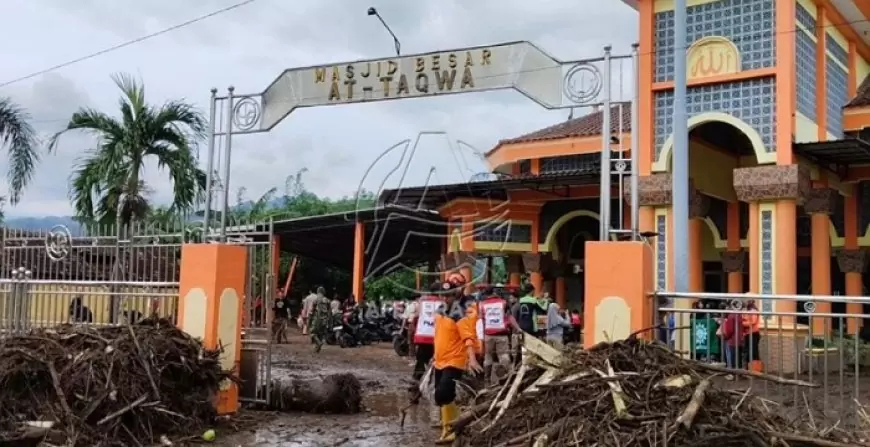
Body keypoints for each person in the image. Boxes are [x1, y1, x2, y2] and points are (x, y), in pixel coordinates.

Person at [432, 277, 481, 445]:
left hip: (454, 360)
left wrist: (472, 359)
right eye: (443, 295)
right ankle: (452, 426)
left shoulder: (459, 313)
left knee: (443, 394)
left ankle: (452, 428)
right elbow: (438, 335)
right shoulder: (439, 311)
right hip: (439, 360)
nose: (445, 298)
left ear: (455, 294)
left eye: (449, 295)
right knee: (442, 398)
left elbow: (468, 338)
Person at [409, 282, 443, 404]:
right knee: (437, 366)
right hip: (437, 339)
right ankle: (436, 395)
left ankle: (414, 393)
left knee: (420, 365)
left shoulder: (421, 302)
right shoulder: (443, 303)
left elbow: (415, 319)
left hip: (422, 338)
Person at [480, 285, 520, 384]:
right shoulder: (503, 303)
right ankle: (506, 379)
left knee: (488, 357)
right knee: (504, 356)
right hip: (502, 334)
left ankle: (487, 380)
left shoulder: (482, 304)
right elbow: (510, 317)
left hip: (488, 334)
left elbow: (480, 320)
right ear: (494, 292)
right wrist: (518, 328)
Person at [720, 306, 744, 376]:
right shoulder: (739, 315)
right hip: (739, 340)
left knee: (731, 357)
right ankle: (739, 374)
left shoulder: (730, 316)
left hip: (732, 340)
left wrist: (726, 337)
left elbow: (730, 330)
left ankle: (732, 374)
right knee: (738, 357)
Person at [309, 287, 331, 352]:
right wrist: (329, 321)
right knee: (321, 333)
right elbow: (329, 312)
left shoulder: (316, 300)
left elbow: (312, 311)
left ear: (318, 291)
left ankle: (318, 343)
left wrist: (310, 319)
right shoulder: (327, 300)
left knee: (312, 332)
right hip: (324, 319)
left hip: (317, 319)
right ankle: (317, 348)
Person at [742, 300, 762, 371]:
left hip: (753, 333)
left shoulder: (753, 310)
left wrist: (742, 323)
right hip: (747, 334)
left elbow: (753, 322)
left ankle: (755, 370)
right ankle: (750, 369)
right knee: (748, 352)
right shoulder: (747, 310)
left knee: (753, 352)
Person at [404, 297, 420, 365]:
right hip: (419, 325)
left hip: (411, 325)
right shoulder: (421, 305)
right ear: (418, 298)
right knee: (419, 344)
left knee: (411, 343)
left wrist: (404, 326)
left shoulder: (409, 306)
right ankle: (419, 360)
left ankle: (412, 360)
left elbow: (405, 317)